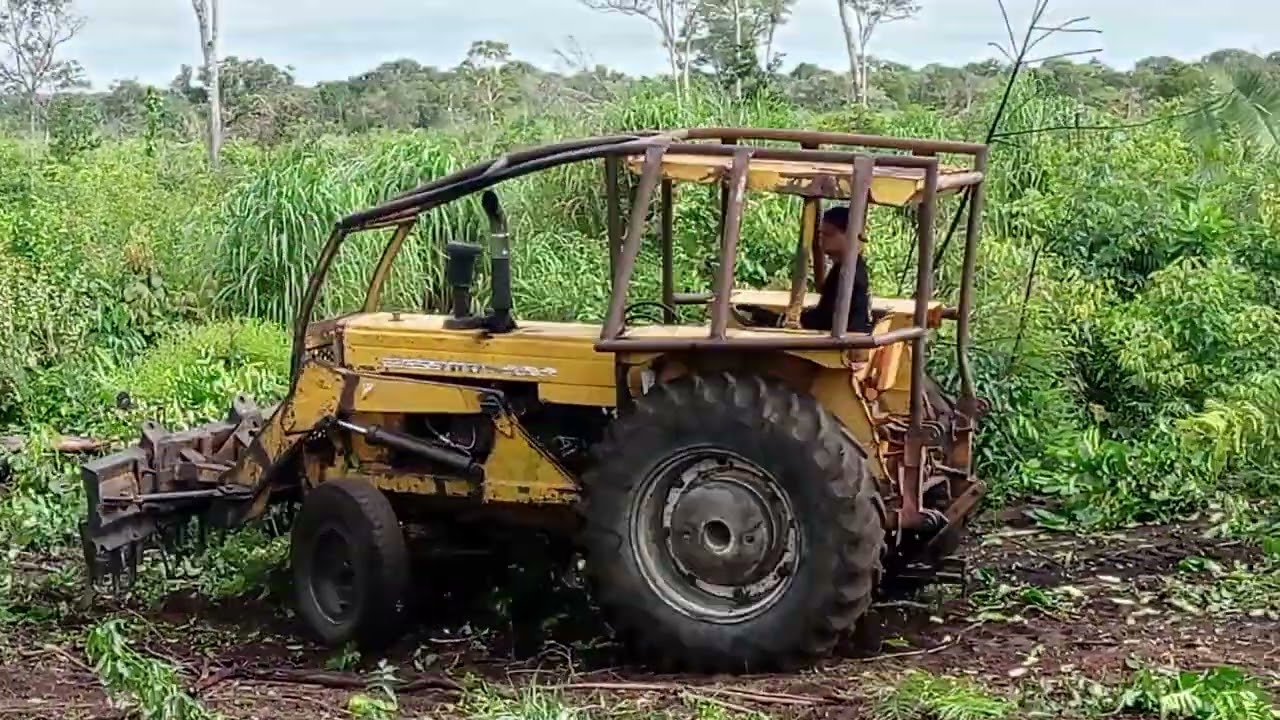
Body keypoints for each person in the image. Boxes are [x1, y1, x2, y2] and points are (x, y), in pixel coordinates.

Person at [799, 204, 874, 333]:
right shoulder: (843, 267)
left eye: (829, 234)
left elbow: (827, 319)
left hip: (847, 341)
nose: (822, 239)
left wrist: (799, 319)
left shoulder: (849, 272)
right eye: (821, 234)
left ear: (849, 235)